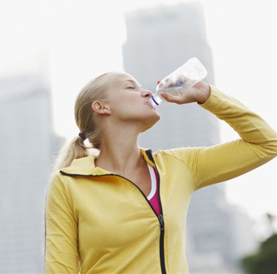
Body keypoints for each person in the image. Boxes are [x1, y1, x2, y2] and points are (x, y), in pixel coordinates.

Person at [44, 71, 277, 274]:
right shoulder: (68, 183)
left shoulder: (178, 166)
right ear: (101, 107)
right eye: (130, 87)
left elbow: (266, 143)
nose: (146, 92)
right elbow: (60, 269)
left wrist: (208, 96)